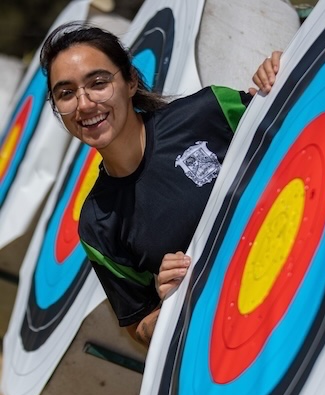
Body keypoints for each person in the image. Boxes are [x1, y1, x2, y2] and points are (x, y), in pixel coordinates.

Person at [40, 21, 282, 347]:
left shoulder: (209, 109)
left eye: (98, 83)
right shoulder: (97, 223)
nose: (83, 104)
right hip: (250, 337)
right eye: (66, 94)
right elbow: (139, 326)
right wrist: (168, 300)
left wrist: (284, 71)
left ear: (129, 82)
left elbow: (304, 131)